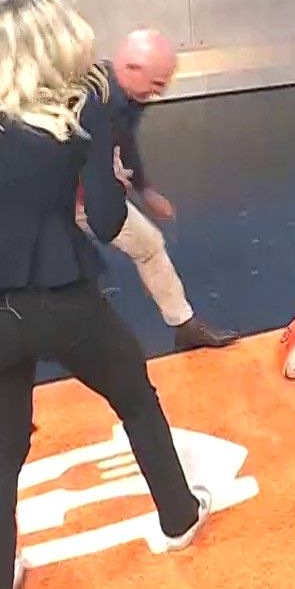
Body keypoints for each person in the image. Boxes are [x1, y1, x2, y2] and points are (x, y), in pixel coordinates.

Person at [0, 0, 210, 589]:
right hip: (66, 303)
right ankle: (179, 517)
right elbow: (105, 221)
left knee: (3, 445)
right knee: (135, 401)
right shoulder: (83, 114)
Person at [76, 28, 234, 351]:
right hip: (57, 200)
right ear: (131, 68)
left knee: (148, 245)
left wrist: (144, 189)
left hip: (90, 194)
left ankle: (185, 326)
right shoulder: (91, 101)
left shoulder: (129, 97)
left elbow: (124, 141)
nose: (159, 93)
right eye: (157, 84)